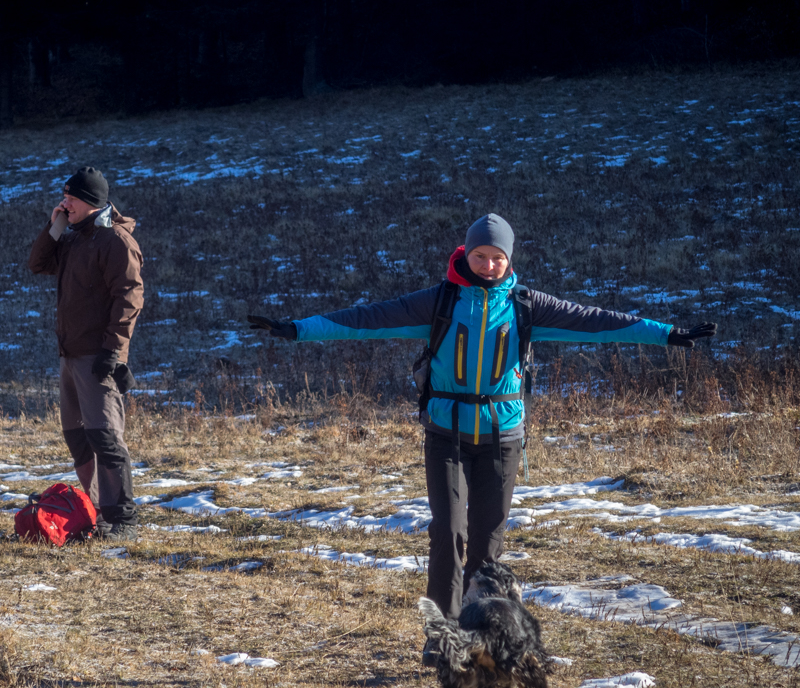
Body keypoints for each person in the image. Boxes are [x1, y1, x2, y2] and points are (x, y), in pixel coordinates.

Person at [248, 213, 716, 662]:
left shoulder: (527, 305)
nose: (489, 265)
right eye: (480, 256)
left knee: (488, 543)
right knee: (447, 534)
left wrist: (668, 335)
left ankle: (475, 634)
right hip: (445, 434)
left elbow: (597, 320)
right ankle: (440, 637)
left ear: (509, 260)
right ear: (465, 254)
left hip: (501, 437)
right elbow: (365, 318)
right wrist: (296, 329)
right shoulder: (441, 301)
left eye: (497, 257)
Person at [28, 166, 144, 540]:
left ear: (91, 202)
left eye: (71, 199)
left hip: (97, 357)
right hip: (69, 354)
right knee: (78, 437)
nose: (64, 204)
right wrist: (56, 227)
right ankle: (95, 512)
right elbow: (38, 264)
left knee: (105, 436)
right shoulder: (74, 238)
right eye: (64, 197)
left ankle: (122, 519)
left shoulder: (114, 241)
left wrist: (114, 352)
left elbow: (129, 298)